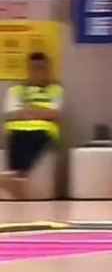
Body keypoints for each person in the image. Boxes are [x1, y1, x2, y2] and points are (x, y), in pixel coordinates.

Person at [1, 52, 63, 200]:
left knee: (34, 137)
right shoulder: (16, 90)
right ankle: (17, 179)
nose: (37, 72)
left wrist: (29, 111)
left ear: (47, 70)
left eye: (41, 68)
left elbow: (56, 113)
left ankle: (13, 178)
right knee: (18, 139)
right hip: (17, 129)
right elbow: (10, 113)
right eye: (33, 68)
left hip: (43, 130)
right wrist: (40, 112)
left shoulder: (55, 90)